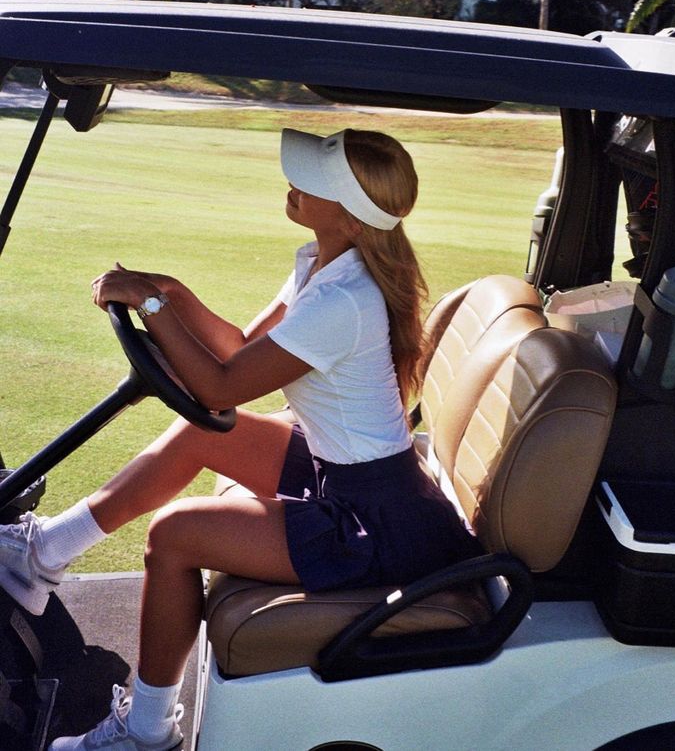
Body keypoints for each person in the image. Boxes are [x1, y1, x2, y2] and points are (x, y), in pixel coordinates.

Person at [0, 128, 480, 751]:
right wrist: (169, 291)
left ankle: (147, 732)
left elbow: (224, 386)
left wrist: (151, 303)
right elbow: (240, 349)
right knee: (199, 437)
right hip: (344, 473)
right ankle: (42, 555)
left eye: (317, 182)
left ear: (354, 219)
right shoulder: (321, 265)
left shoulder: (344, 300)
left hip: (371, 519)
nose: (296, 183)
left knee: (172, 537)